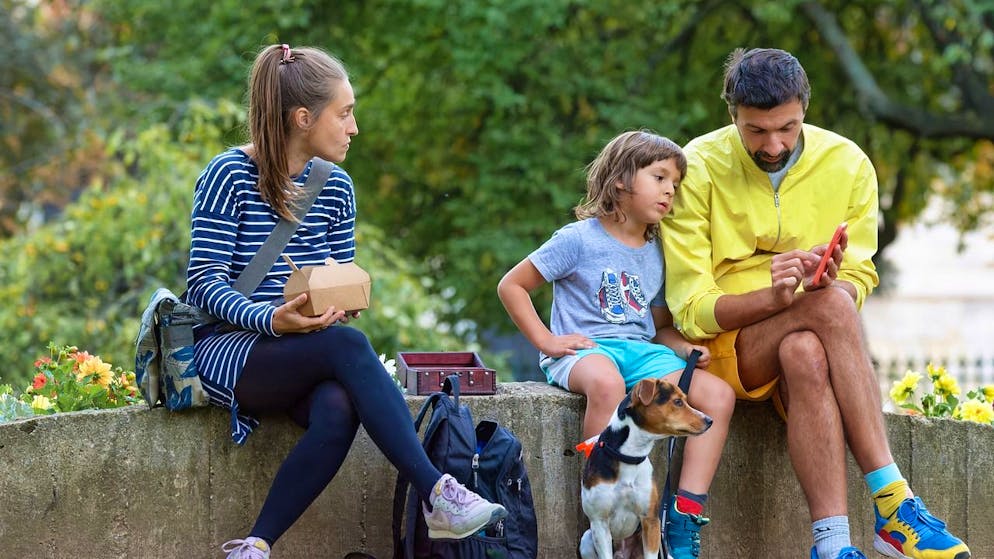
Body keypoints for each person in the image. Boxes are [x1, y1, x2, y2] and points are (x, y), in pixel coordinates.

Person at [186, 44, 506, 559]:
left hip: (302, 348)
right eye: (345, 113)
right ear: (303, 118)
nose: (354, 128)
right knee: (350, 347)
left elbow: (337, 276)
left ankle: (254, 545)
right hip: (228, 347)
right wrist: (273, 319)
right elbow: (203, 283)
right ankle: (437, 493)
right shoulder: (229, 174)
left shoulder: (336, 186)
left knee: (338, 406)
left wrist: (338, 303)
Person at [661, 47, 971, 559]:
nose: (773, 144)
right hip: (722, 353)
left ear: (805, 107)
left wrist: (831, 283)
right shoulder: (697, 167)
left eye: (787, 127)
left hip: (806, 345)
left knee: (806, 347)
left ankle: (831, 544)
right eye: (755, 131)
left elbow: (861, 275)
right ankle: (894, 504)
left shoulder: (848, 163)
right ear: (732, 115)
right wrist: (775, 298)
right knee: (826, 309)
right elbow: (691, 310)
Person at [497, 130, 736, 558]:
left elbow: (656, 326)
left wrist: (682, 348)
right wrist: (546, 340)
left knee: (718, 394)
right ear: (621, 179)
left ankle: (683, 514)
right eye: (659, 177)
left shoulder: (659, 251)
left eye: (675, 183)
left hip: (641, 352)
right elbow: (512, 285)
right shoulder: (578, 239)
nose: (670, 191)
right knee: (607, 384)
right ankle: (602, 512)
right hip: (586, 351)